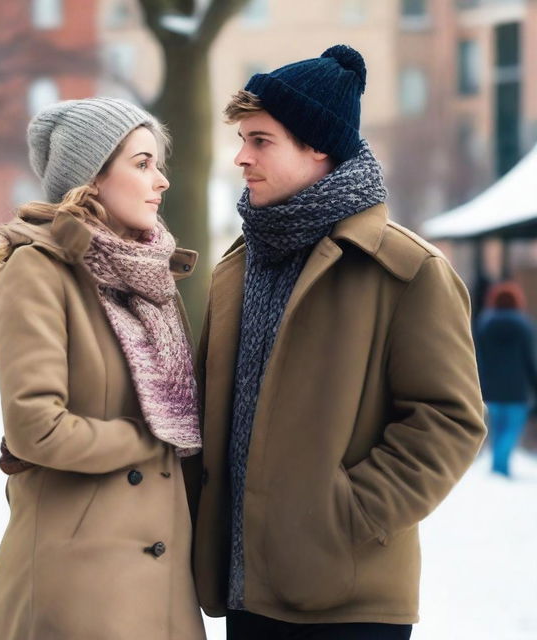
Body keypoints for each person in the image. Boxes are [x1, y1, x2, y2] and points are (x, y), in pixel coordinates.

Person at [184, 45, 486, 640]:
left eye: (261, 140)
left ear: (318, 145)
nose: (241, 157)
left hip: (350, 602)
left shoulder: (407, 269)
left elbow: (451, 419)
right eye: (242, 139)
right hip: (244, 596)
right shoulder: (237, 267)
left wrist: (349, 514)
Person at [0, 97, 205, 640]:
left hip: (161, 585)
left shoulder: (151, 279)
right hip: (78, 588)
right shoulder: (40, 269)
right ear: (93, 177)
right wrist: (150, 439)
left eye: (159, 164)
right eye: (143, 163)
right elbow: (35, 429)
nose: (162, 180)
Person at [476, 280, 537, 477]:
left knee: (496, 430)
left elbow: (479, 358)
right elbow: (529, 359)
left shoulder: (484, 325)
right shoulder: (525, 326)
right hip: (516, 389)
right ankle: (500, 467)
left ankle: (498, 467)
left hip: (491, 388)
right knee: (511, 431)